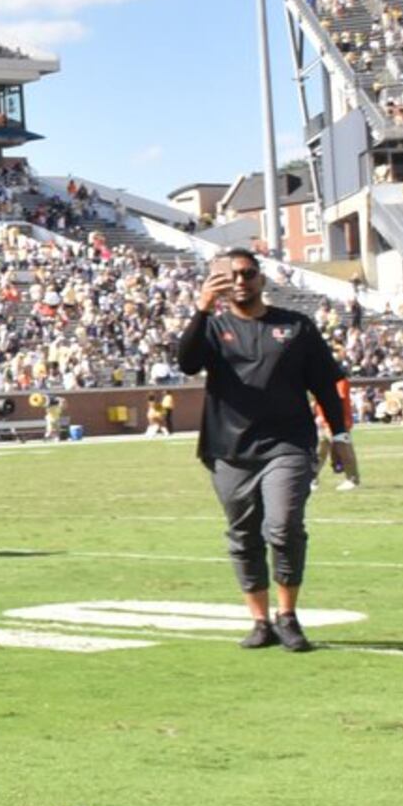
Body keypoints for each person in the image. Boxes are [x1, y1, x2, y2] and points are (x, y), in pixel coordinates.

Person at [168, 248, 354, 652]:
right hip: (228, 448)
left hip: (288, 444)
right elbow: (186, 363)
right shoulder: (213, 329)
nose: (240, 280)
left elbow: (325, 385)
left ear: (262, 278)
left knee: (284, 526)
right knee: (243, 534)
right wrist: (201, 309)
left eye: (248, 273)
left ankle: (287, 616)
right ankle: (259, 621)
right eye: (231, 274)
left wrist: (340, 437)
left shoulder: (296, 326)